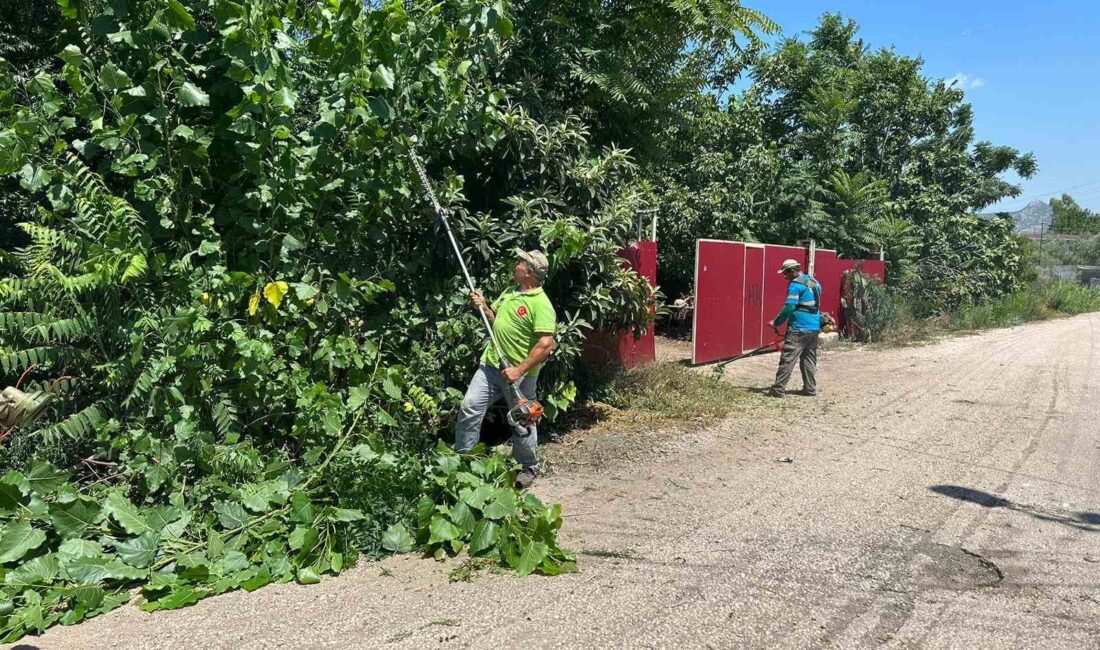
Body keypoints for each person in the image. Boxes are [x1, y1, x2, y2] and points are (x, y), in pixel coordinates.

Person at [455, 250, 557, 489]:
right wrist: (484, 306)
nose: (517, 265)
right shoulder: (510, 293)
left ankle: (527, 467)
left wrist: (518, 370)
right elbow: (495, 319)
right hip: (491, 365)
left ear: (530, 272)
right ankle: (464, 459)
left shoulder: (542, 304)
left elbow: (545, 345)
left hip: (518, 376)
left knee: (523, 420)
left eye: (521, 263)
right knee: (470, 407)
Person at [767, 259, 822, 398]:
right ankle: (810, 388)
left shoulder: (795, 286)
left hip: (799, 328)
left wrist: (776, 322)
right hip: (814, 326)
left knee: (788, 358)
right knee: (809, 358)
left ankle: (778, 389)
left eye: (786, 273)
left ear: (792, 271)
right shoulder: (814, 282)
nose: (784, 277)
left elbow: (790, 306)